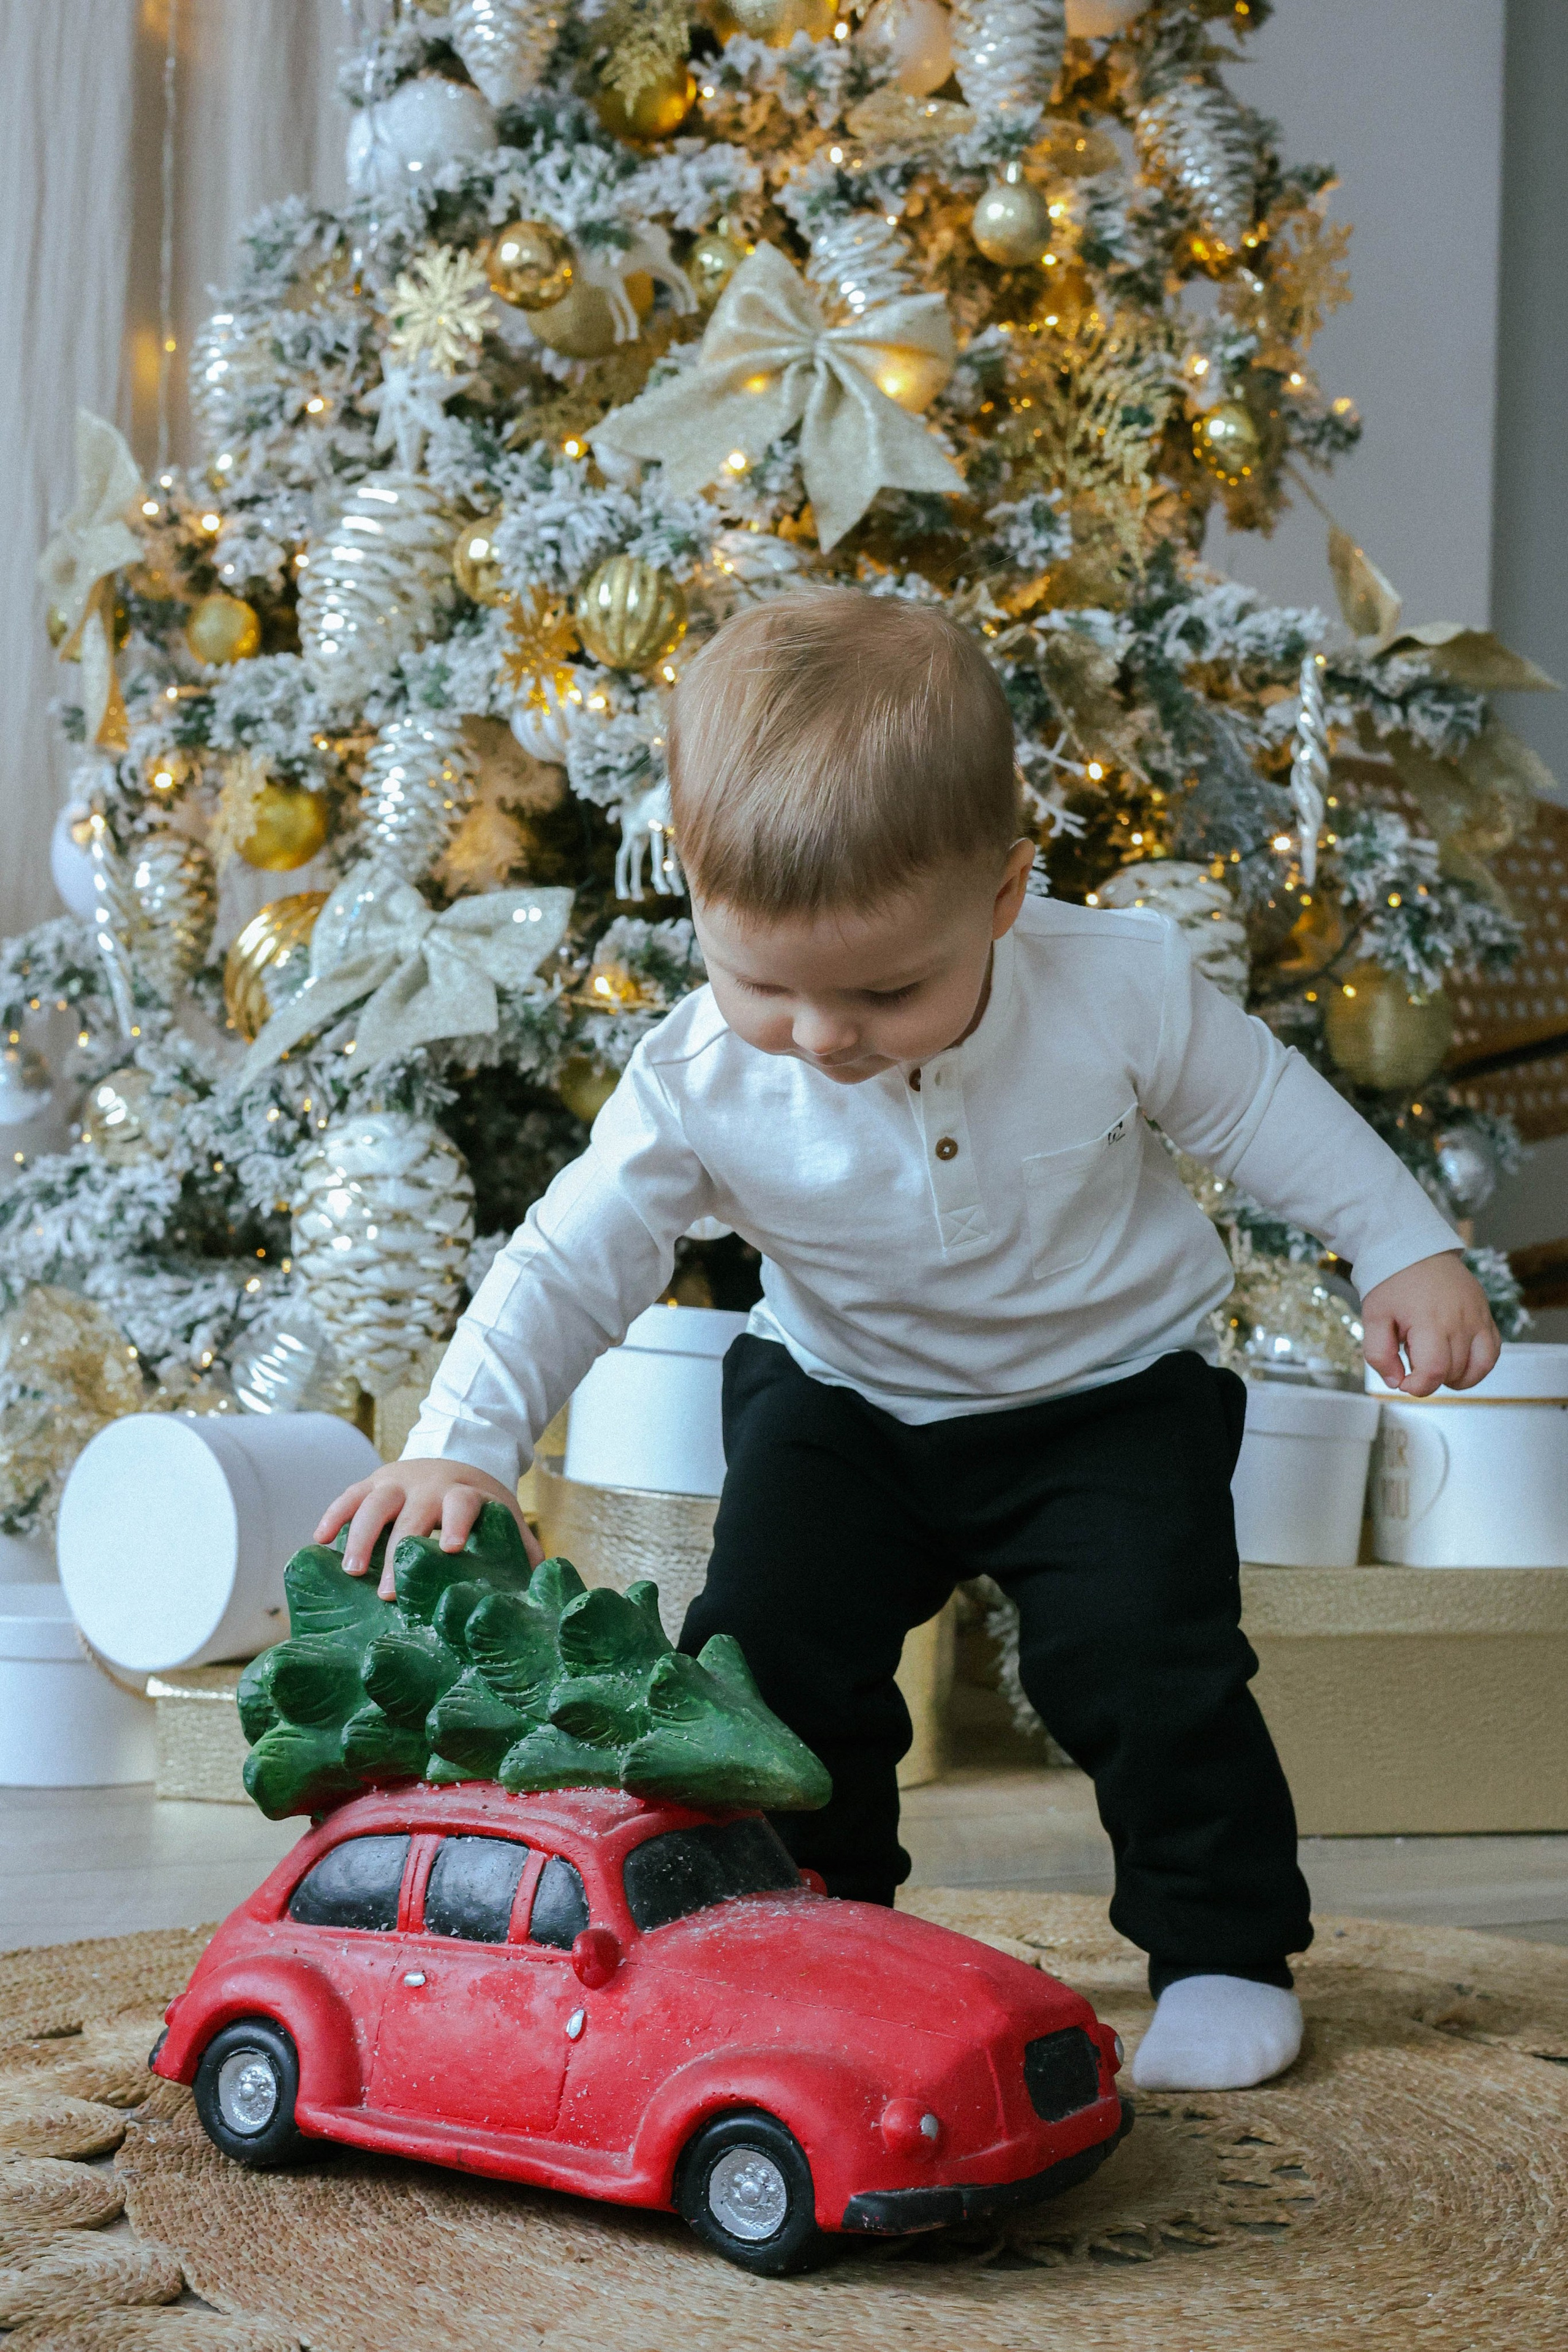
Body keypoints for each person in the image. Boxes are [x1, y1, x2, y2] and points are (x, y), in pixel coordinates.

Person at [317, 590, 1498, 2093]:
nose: (822, 1038)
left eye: (885, 991)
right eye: (765, 987)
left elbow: (1267, 1112)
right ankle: (810, 1926)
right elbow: (569, 1255)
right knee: (765, 1668)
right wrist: (459, 1444)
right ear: (693, 893)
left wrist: (1401, 1242)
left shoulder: (1117, 987)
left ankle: (1216, 1950)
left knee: (1149, 1667)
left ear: (1003, 895)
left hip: (1107, 1399)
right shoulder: (693, 1079)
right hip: (842, 1405)